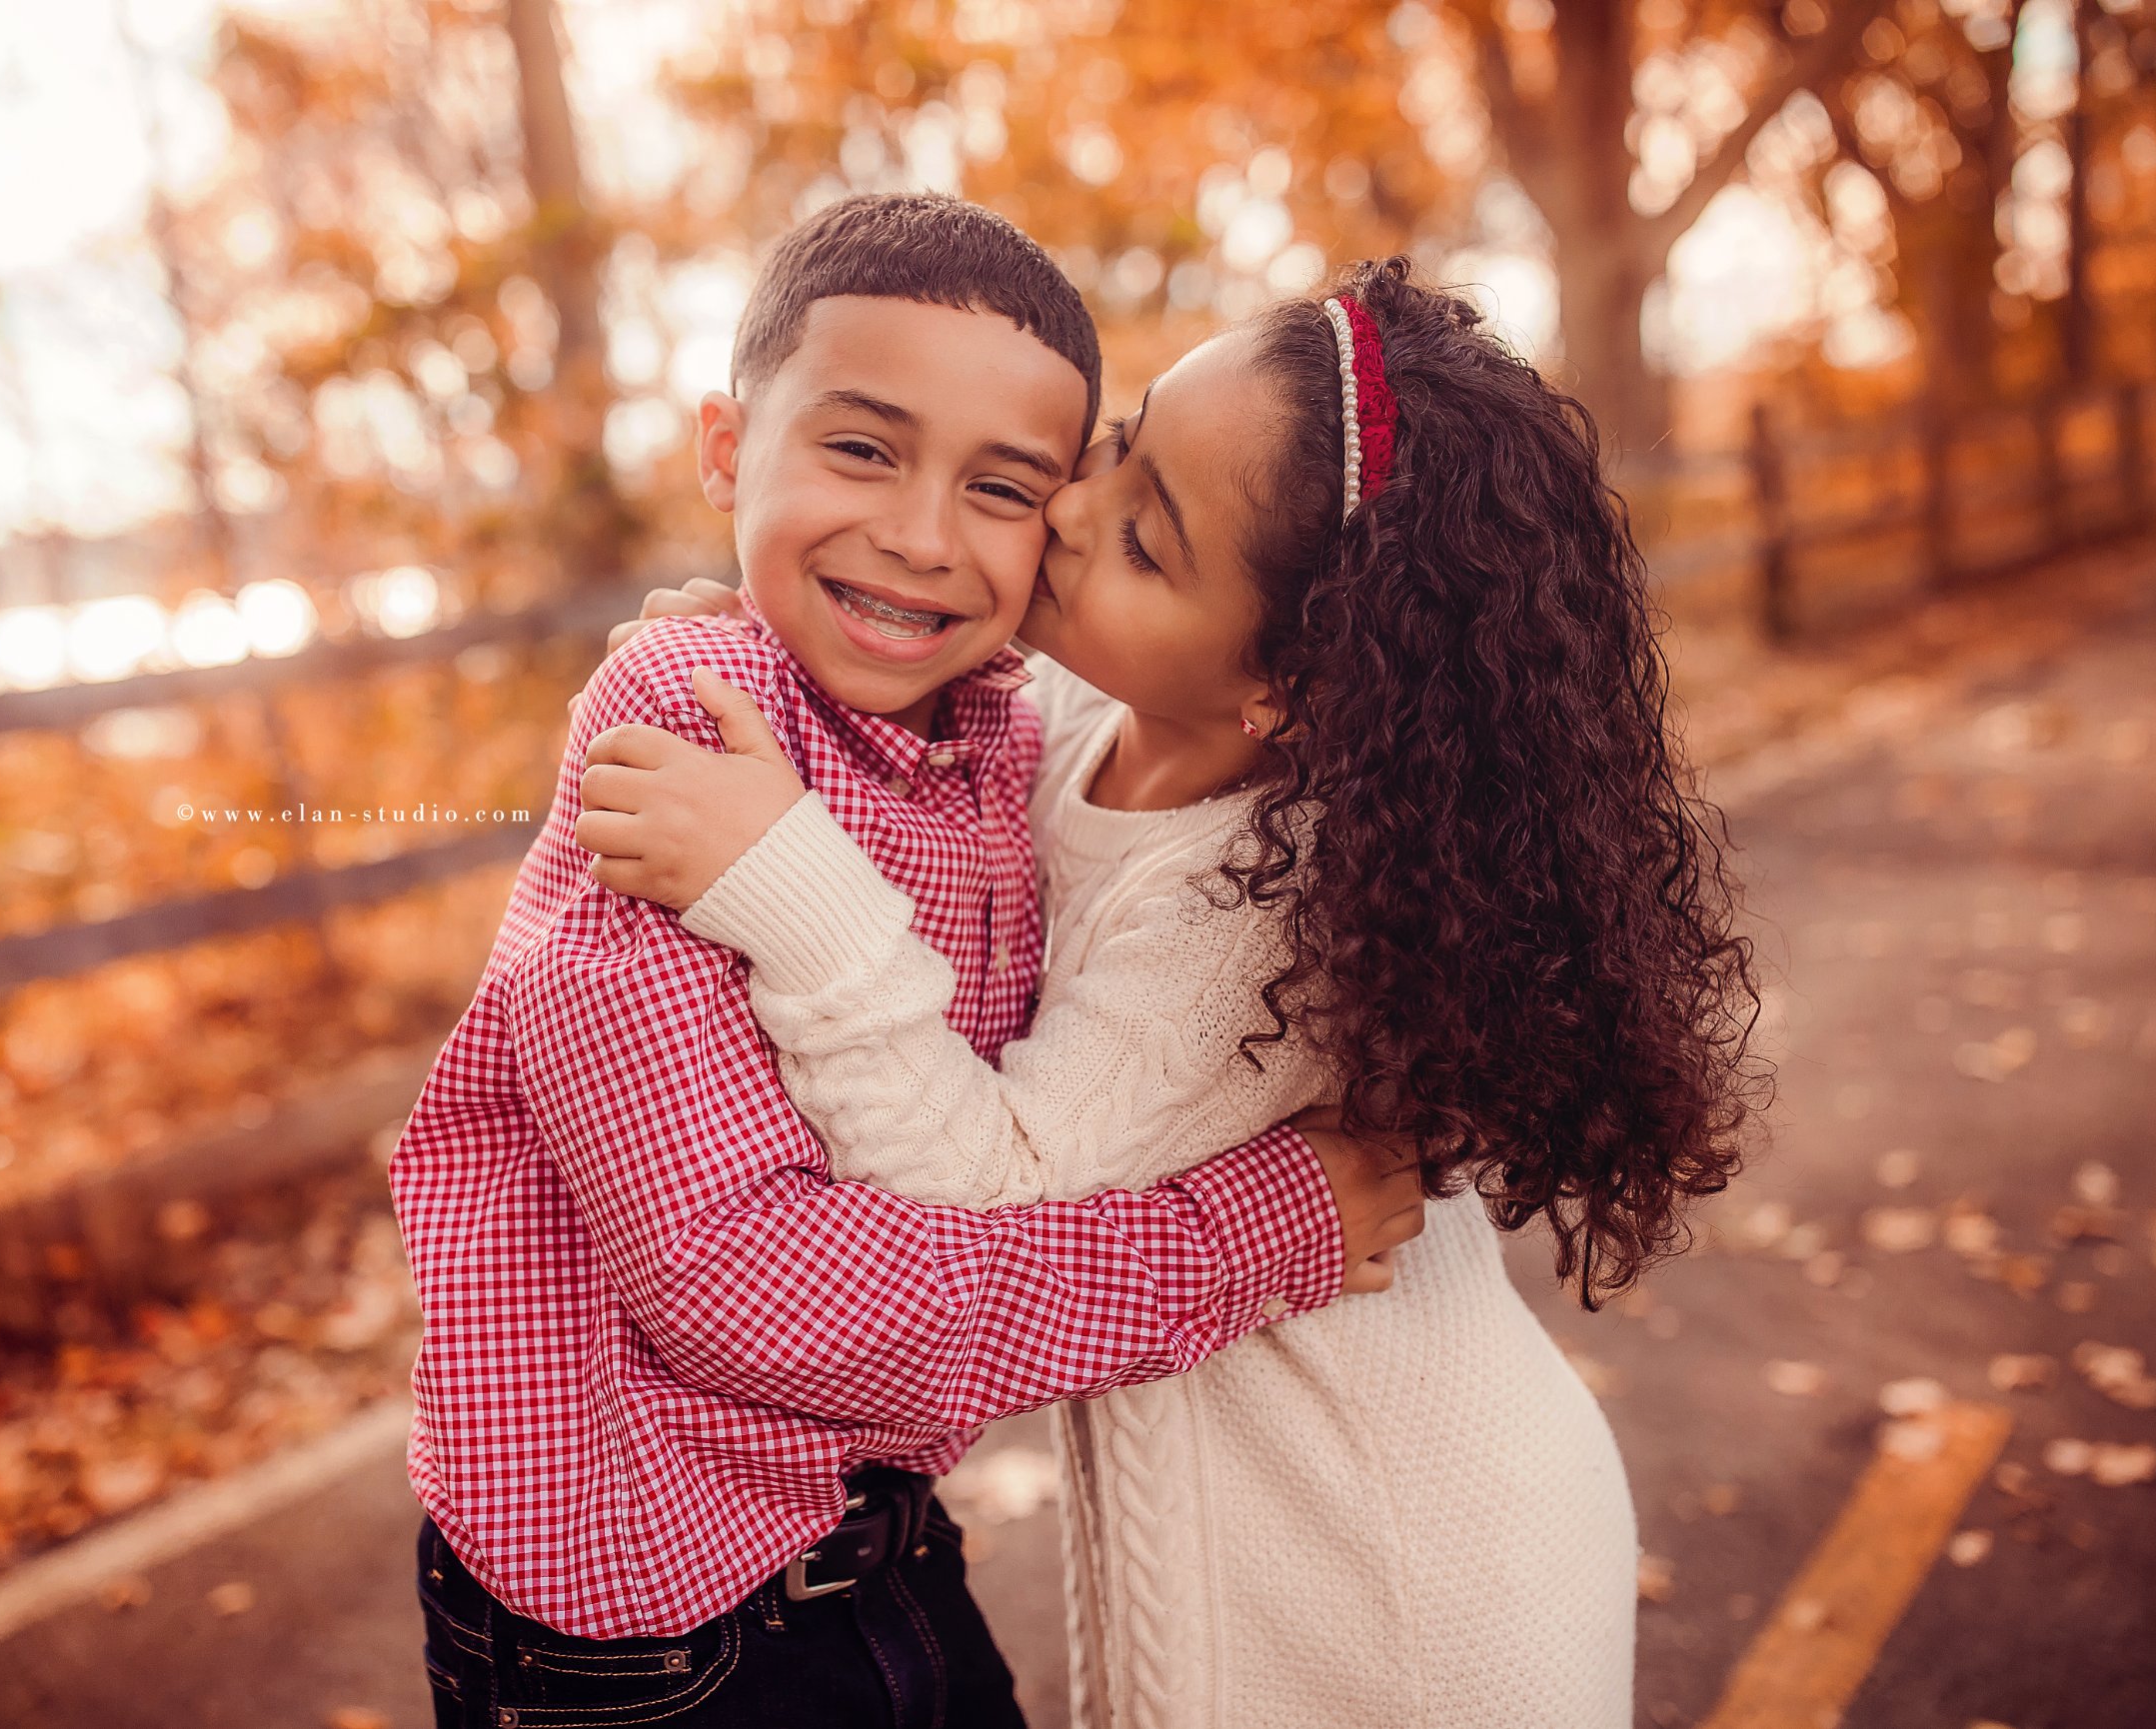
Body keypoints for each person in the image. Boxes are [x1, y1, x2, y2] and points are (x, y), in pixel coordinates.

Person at [579, 256, 1765, 1728]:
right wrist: (761, 661)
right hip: (1226, 1531)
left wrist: (780, 877)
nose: (1068, 509)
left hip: (1395, 1576)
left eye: (1147, 540)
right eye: (1126, 438)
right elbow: (921, 736)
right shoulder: (1092, 711)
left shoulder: (1268, 912)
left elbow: (982, 1179)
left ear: (1292, 686)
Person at [388, 195, 1425, 1729]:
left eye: (1005, 487)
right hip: (649, 1636)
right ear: (728, 449)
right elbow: (747, 1294)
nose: (925, 536)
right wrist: (1248, 1238)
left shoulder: (1001, 718)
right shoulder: (683, 757)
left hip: (863, 1545)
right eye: (861, 449)